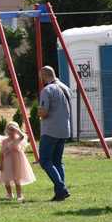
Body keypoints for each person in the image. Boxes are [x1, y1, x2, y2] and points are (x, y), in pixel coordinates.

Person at [38, 66, 72, 201]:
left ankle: (61, 188)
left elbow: (44, 112)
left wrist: (39, 112)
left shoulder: (47, 90)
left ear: (43, 76)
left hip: (50, 130)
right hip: (64, 129)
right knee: (58, 161)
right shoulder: (65, 87)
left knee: (45, 160)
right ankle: (59, 194)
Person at [0, 122, 36, 202]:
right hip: (7, 162)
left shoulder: (18, 139)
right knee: (6, 179)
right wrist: (0, 163)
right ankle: (9, 194)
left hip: (17, 161)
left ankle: (19, 195)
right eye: (9, 130)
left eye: (13, 130)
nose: (11, 132)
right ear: (6, 131)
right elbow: (1, 153)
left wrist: (17, 130)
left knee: (17, 178)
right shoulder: (5, 141)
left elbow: (22, 136)